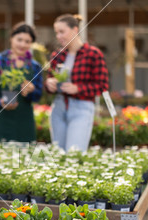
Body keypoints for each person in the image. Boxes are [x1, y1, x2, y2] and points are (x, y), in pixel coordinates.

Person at [45, 14, 109, 152]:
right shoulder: (57, 55)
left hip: (81, 108)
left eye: (62, 32)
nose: (58, 36)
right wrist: (49, 84)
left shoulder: (93, 54)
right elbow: (49, 81)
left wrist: (78, 88)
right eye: (56, 33)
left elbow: (102, 85)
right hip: (59, 107)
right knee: (58, 153)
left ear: (75, 30)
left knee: (75, 153)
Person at [0, 22, 43, 143]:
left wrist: (31, 90)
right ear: (11, 38)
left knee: (26, 157)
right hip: (1, 119)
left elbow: (38, 95)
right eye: (19, 39)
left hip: (25, 121)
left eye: (27, 41)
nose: (22, 44)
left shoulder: (35, 66)